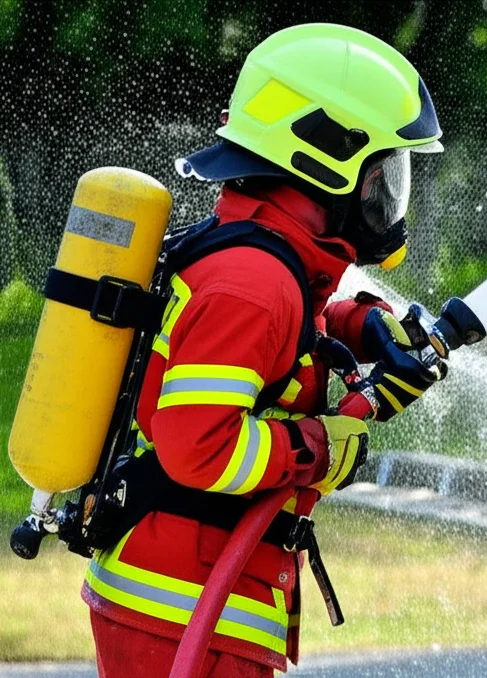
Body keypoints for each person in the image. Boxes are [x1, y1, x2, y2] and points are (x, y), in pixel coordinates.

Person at [82, 23, 445, 678]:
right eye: (382, 171)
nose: (387, 194)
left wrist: (362, 326)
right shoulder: (254, 285)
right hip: (183, 615)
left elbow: (276, 345)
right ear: (325, 154)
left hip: (189, 604)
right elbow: (201, 448)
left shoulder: (262, 264)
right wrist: (322, 447)